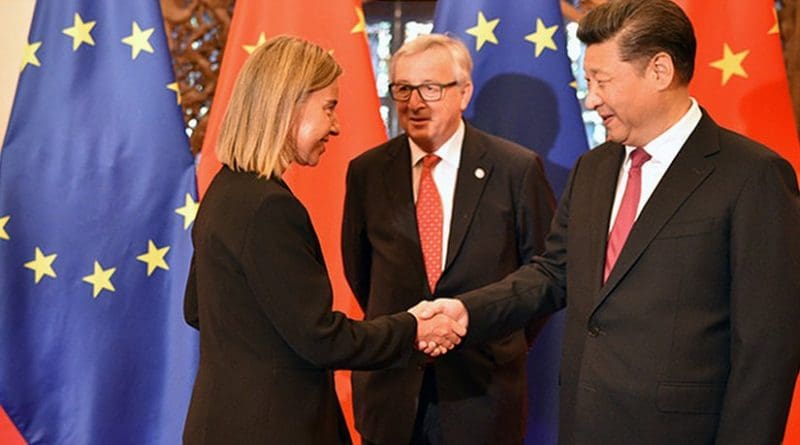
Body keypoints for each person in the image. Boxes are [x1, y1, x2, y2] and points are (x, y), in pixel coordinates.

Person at [417, 1, 800, 444]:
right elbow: (553, 273)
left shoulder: (751, 175)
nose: (590, 97)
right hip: (586, 423)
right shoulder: (594, 169)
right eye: (587, 81)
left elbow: (768, 344)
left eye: (602, 81)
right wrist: (467, 309)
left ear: (659, 70)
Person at [182, 35, 466, 445]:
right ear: (289, 104)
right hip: (275, 428)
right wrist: (412, 329)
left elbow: (197, 310)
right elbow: (322, 339)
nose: (336, 125)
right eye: (329, 107)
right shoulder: (268, 207)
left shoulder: (224, 190)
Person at [341, 34, 555, 445]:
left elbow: (544, 277)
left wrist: (495, 338)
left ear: (464, 92)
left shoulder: (515, 169)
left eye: (431, 89)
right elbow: (362, 273)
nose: (415, 103)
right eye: (403, 89)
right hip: (391, 394)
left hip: (483, 394)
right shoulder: (366, 172)